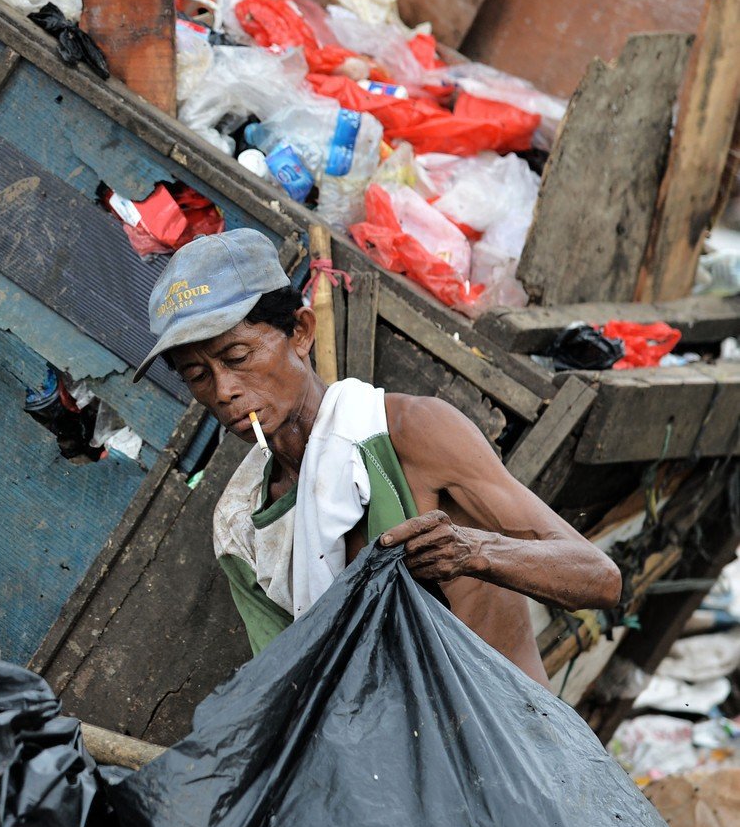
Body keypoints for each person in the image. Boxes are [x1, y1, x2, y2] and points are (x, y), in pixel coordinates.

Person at [135, 229, 622, 685]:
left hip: (514, 745)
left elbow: (598, 579)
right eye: (198, 376)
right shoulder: (242, 526)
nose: (223, 390)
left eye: (238, 358)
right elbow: (290, 686)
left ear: (301, 332)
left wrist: (473, 552)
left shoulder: (413, 432)